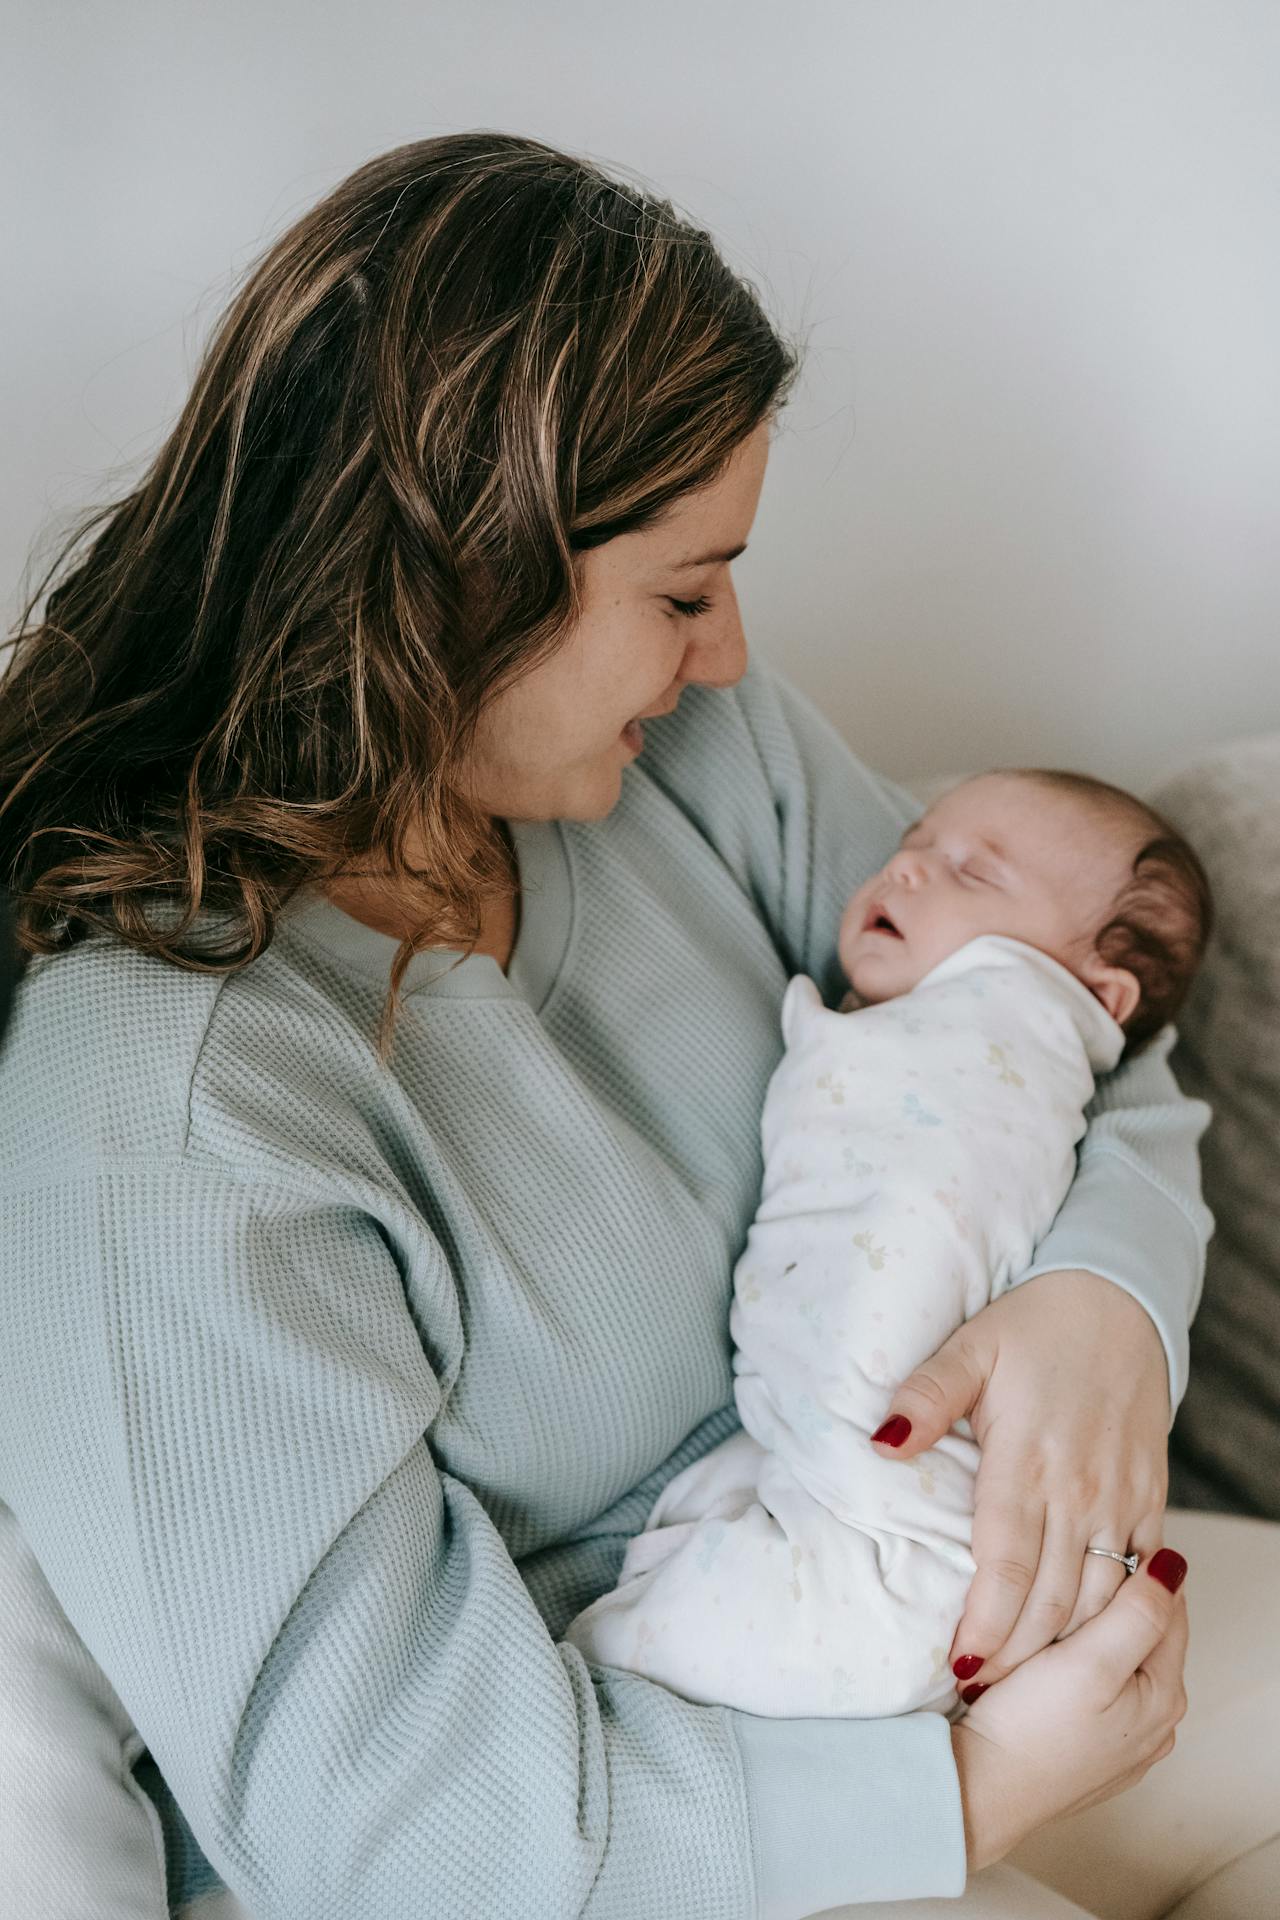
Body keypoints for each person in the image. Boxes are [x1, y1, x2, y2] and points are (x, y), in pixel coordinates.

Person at [0, 131, 1275, 1920]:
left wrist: (1101, 1304)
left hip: (918, 1617)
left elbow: (1075, 1025)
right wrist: (960, 1803)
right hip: (632, 1813)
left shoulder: (689, 761)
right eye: (682, 591)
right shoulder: (176, 1102)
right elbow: (388, 1812)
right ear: (453, 580)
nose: (734, 654)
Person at [564, 773, 1212, 1720]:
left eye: (972, 873)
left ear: (1096, 993)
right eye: (912, 840)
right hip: (801, 1448)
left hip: (931, 1505)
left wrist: (1112, 1291)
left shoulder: (1022, 1018)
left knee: (658, 1646)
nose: (905, 866)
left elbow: (1142, 1094)